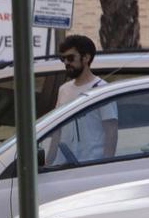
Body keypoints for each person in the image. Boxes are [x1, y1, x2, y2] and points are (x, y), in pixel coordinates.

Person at [48, 34, 118, 164]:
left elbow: (111, 131)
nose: (66, 63)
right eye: (63, 59)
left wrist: (106, 165)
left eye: (70, 58)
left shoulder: (102, 89)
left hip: (91, 165)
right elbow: (57, 131)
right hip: (63, 166)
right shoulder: (63, 89)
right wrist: (48, 162)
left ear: (86, 58)